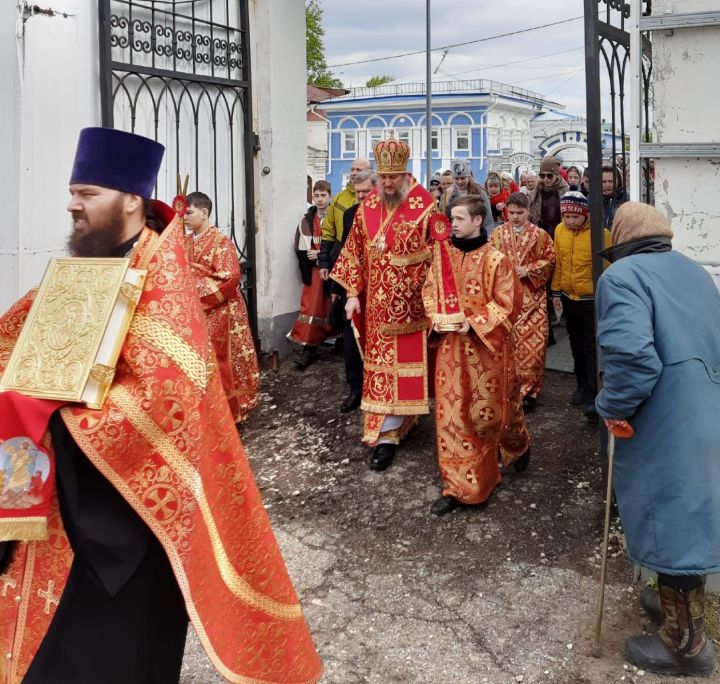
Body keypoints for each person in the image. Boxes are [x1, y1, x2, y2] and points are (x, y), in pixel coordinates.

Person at [0, 127, 322, 684]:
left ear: (130, 199)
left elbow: (166, 398)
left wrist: (44, 413)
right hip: (58, 507)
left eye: (87, 193)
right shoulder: (86, 263)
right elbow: (22, 336)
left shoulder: (161, 282)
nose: (73, 204)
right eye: (72, 192)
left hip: (123, 529)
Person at [595, 201, 720, 678]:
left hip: (666, 415)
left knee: (671, 518)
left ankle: (685, 645)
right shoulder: (692, 271)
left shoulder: (622, 278)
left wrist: (611, 408)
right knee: (687, 514)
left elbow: (633, 360)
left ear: (621, 242)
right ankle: (672, 605)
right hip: (704, 408)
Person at [331, 138, 438, 471]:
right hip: (376, 309)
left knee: (405, 373)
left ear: (407, 173)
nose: (388, 184)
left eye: (394, 177)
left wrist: (433, 299)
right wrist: (351, 295)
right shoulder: (368, 206)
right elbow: (354, 251)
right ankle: (385, 435)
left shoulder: (425, 206)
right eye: (384, 177)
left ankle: (403, 420)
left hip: (412, 309)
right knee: (380, 373)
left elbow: (440, 258)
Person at [423, 195, 530, 516]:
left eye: (458, 218)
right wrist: (438, 318)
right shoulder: (443, 258)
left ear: (477, 220)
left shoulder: (496, 260)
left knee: (493, 414)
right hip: (450, 352)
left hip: (487, 352)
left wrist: (474, 321)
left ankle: (517, 443)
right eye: (451, 218)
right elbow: (430, 292)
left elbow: (509, 302)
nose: (453, 224)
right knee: (453, 417)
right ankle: (463, 487)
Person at [184, 191, 259, 422]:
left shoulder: (221, 242)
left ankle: (227, 412)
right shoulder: (186, 241)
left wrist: (195, 292)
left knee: (222, 361)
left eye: (189, 213)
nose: (184, 218)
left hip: (222, 311)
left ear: (204, 212)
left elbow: (229, 278)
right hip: (196, 311)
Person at [491, 192, 555, 412]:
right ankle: (507, 388)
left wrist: (528, 270)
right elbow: (488, 260)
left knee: (533, 346)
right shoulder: (497, 235)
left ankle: (530, 393)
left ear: (528, 211)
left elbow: (550, 260)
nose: (515, 217)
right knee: (506, 345)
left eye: (520, 212)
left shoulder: (540, 235)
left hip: (532, 298)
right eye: (512, 212)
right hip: (504, 298)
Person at [550, 191, 611, 420]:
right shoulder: (559, 231)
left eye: (574, 217)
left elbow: (608, 266)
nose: (569, 221)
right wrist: (555, 292)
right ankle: (581, 385)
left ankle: (595, 393)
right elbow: (558, 262)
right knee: (575, 343)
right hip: (569, 297)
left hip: (590, 298)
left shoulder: (601, 234)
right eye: (565, 216)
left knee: (591, 346)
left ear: (584, 214)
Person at [328, 170, 377, 413]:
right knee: (351, 340)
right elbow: (344, 252)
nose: (361, 197)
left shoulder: (386, 214)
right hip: (353, 288)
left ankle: (378, 388)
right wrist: (337, 289)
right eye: (357, 193)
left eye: (366, 192)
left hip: (380, 288)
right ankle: (355, 388)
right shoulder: (349, 215)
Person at [288, 179, 333, 368]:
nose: (320, 199)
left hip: (333, 268)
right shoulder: (307, 220)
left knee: (333, 306)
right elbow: (300, 245)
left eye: (323, 195)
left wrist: (323, 255)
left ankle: (335, 341)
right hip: (315, 271)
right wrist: (313, 257)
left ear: (330, 196)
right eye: (316, 195)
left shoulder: (336, 216)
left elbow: (341, 242)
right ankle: (309, 348)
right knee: (312, 307)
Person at [320, 157, 371, 259]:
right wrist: (324, 260)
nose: (354, 173)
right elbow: (328, 230)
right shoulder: (338, 198)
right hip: (340, 255)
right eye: (352, 169)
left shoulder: (374, 200)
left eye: (359, 170)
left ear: (368, 173)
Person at [440, 159, 493, 235]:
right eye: (456, 178)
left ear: (469, 177)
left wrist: (486, 237)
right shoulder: (447, 193)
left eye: (463, 178)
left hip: (475, 236)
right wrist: (447, 202)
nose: (459, 181)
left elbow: (488, 220)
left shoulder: (480, 192)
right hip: (455, 236)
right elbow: (443, 219)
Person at [528, 155, 569, 241]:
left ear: (556, 175)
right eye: (542, 175)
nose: (546, 179)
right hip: (539, 235)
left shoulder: (565, 190)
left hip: (560, 236)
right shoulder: (537, 190)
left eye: (549, 175)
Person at [601, 165, 628, 229]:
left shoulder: (627, 198)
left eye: (611, 181)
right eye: (603, 182)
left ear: (619, 180)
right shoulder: (592, 199)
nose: (607, 185)